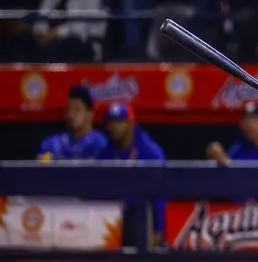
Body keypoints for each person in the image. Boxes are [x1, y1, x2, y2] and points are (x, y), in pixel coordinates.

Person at [98, 102, 167, 246]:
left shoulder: (150, 152)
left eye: (119, 122)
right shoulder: (105, 151)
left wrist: (159, 229)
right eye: (110, 122)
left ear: (130, 123)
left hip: (140, 217)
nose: (113, 127)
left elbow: (160, 195)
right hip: (111, 217)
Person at [38, 86, 107, 161]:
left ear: (90, 114)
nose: (71, 115)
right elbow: (40, 170)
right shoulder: (53, 144)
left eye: (77, 110)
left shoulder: (102, 145)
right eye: (69, 110)